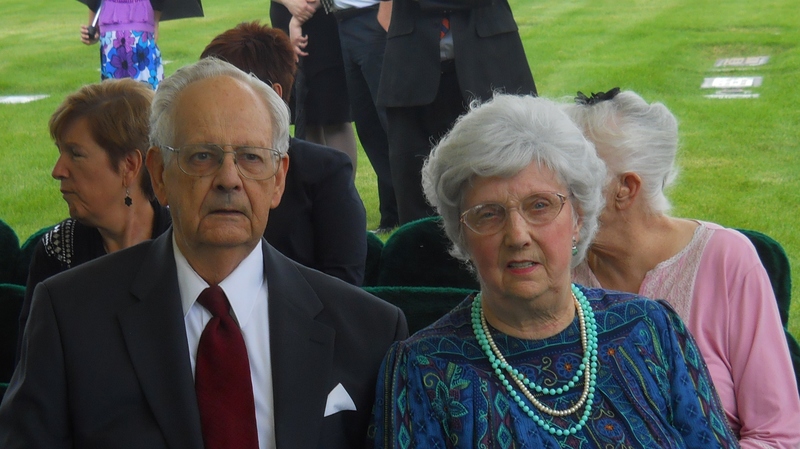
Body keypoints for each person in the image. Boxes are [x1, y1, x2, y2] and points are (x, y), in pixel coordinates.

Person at [0, 58, 408, 448]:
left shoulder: (368, 330)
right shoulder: (69, 314)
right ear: (158, 175)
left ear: (279, 179)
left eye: (251, 157)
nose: (229, 179)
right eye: (202, 157)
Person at [368, 94, 739, 448]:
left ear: (577, 218)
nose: (517, 235)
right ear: (462, 235)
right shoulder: (423, 370)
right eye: (488, 214)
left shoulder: (652, 329)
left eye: (540, 205)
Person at [565, 88, 800, 448]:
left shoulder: (726, 260)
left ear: (625, 188)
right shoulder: (559, 269)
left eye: (574, 178)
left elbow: (778, 433)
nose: (556, 191)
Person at [200, 21, 368, 285]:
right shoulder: (193, 164)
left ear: (274, 95)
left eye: (227, 94)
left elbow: (344, 284)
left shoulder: (324, 172)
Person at [17, 78, 171, 361]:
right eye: (60, 152)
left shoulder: (186, 245)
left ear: (130, 165)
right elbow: (33, 371)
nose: (57, 170)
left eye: (75, 154)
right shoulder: (59, 251)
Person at [378, 0, 536, 225]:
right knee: (412, 180)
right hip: (411, 64)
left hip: (491, 61)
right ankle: (425, 253)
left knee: (505, 171)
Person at [289, 0, 399, 233]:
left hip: (371, 17)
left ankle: (417, 212)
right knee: (370, 128)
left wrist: (385, 20)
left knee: (392, 123)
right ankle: (392, 217)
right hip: (344, 22)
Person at [270, 0, 360, 168]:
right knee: (307, 119)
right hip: (284, 24)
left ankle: (343, 191)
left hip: (321, 25)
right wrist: (290, 3)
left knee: (334, 117)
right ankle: (319, 190)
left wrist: (298, 17)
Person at [81, 0, 164, 90]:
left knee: (146, 96)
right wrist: (91, 36)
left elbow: (154, 27)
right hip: (112, 54)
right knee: (114, 97)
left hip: (142, 51)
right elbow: (94, 31)